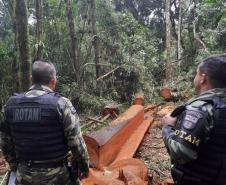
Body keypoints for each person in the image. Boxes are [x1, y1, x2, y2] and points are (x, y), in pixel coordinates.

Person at [0, 60, 89, 185]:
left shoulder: (10, 105)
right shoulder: (61, 104)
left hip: (24, 176)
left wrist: (17, 168)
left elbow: (5, 144)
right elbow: (76, 143)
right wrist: (84, 168)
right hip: (58, 178)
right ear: (53, 81)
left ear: (32, 79)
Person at [162, 54, 226, 185]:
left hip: (199, 178)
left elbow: (181, 152)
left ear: (203, 78)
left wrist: (168, 127)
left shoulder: (200, 108)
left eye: (196, 73)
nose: (194, 77)